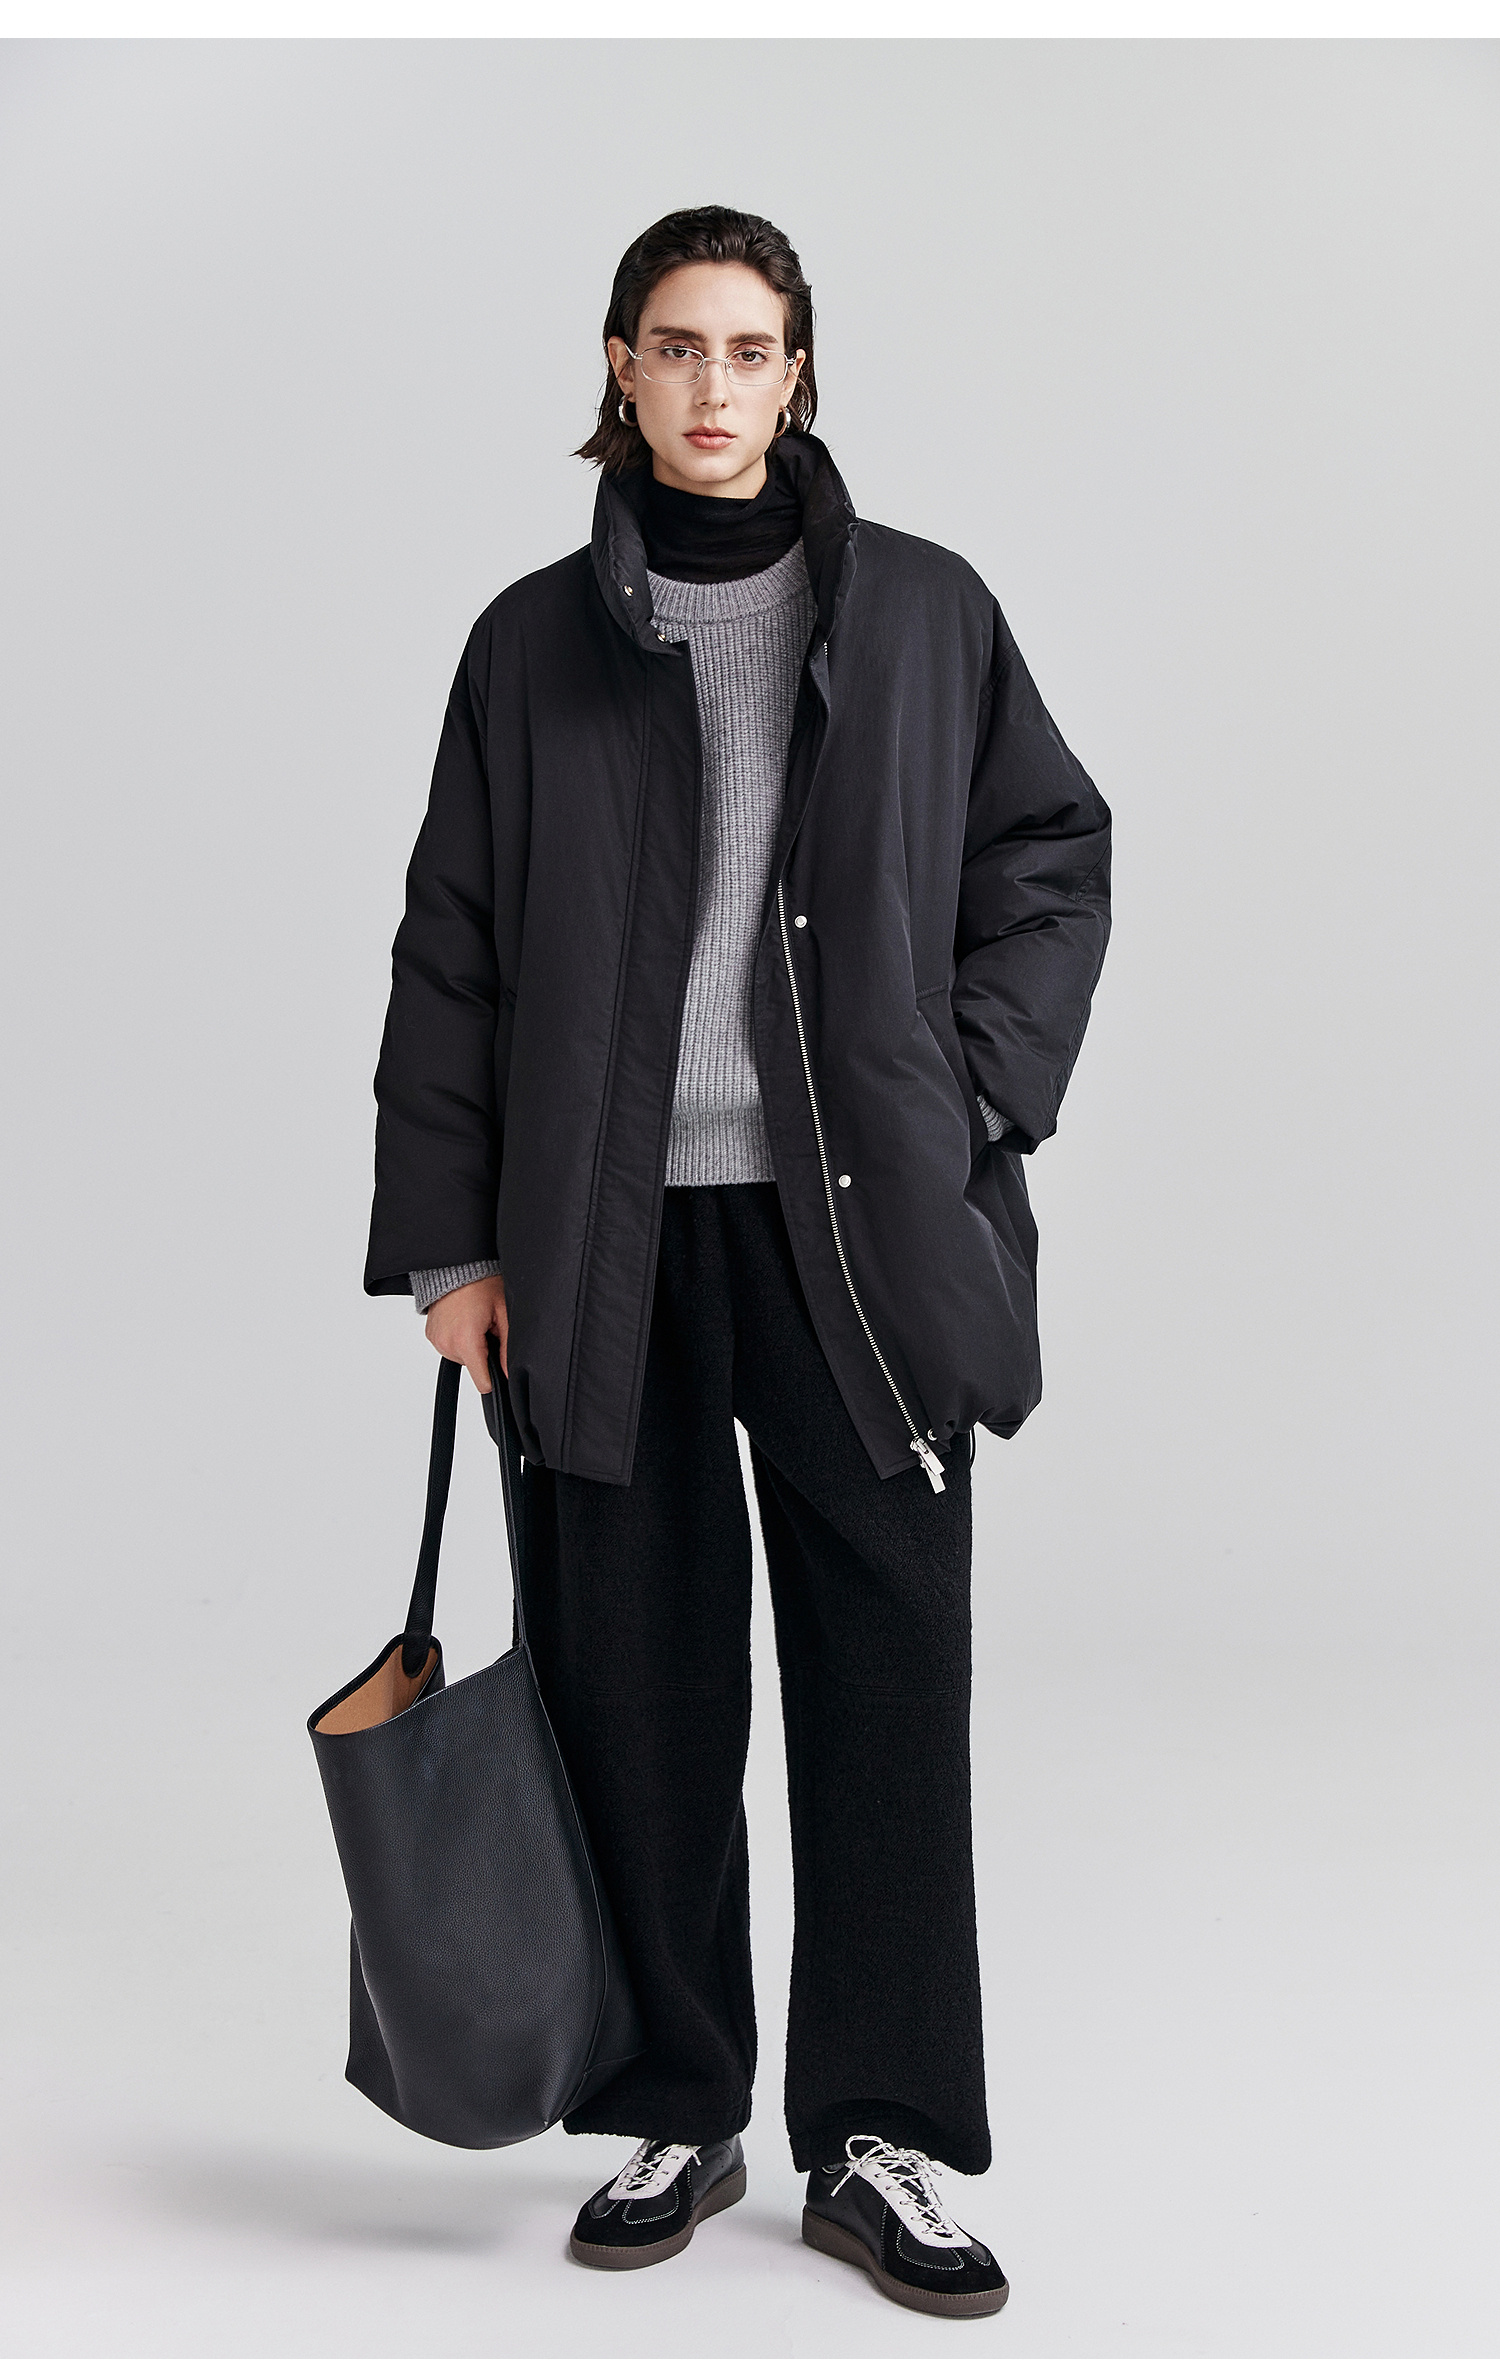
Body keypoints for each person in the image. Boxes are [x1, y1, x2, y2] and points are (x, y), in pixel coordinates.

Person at [363, 204, 1110, 2320]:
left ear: (800, 371)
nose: (713, 385)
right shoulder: (529, 644)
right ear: (619, 366)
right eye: (677, 346)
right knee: (635, 1679)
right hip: (598, 1243)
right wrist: (448, 1243)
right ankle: (676, 2097)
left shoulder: (928, 610)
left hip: (857, 1233)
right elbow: (451, 948)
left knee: (888, 1677)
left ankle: (877, 2131)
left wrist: (964, 1096)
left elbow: (1051, 853)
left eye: (751, 348)